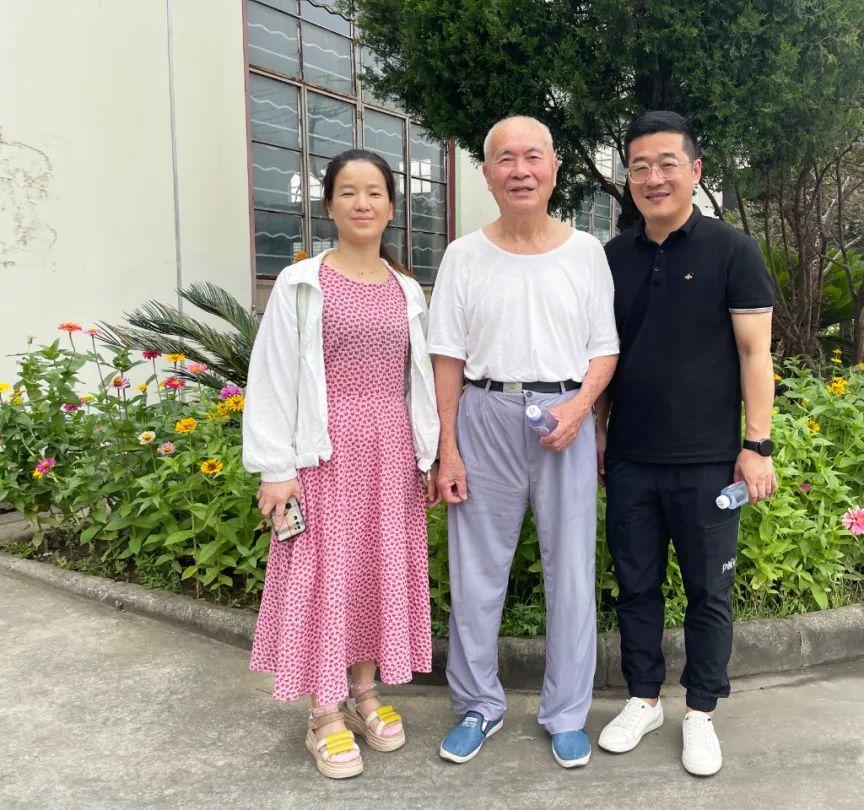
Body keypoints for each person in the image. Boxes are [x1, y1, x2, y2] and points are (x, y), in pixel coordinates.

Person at [427, 116, 619, 769]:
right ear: (487, 174)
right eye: (505, 159)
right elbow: (447, 357)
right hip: (484, 413)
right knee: (476, 572)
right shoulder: (463, 255)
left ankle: (566, 713)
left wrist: (582, 409)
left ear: (555, 169)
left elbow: (604, 347)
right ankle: (477, 705)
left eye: (532, 156)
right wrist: (448, 448)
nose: (520, 170)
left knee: (572, 571)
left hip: (565, 414)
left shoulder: (586, 252)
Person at [242, 148, 440, 780]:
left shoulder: (407, 291)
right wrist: (276, 467)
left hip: (390, 452)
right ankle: (323, 712)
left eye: (375, 192)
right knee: (325, 573)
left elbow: (417, 382)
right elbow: (272, 374)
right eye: (348, 192)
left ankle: (365, 693)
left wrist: (427, 455)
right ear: (328, 205)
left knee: (374, 571)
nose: (362, 203)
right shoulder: (302, 284)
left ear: (392, 206)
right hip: (323, 453)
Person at [594, 111, 776, 777]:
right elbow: (602, 354)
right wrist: (599, 433)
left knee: (709, 592)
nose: (653, 177)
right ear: (628, 179)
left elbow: (755, 354)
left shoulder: (732, 251)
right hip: (631, 458)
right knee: (636, 587)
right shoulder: (612, 258)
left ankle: (700, 712)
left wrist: (757, 445)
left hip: (708, 463)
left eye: (667, 163)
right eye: (639, 166)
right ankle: (643, 699)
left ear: (695, 172)